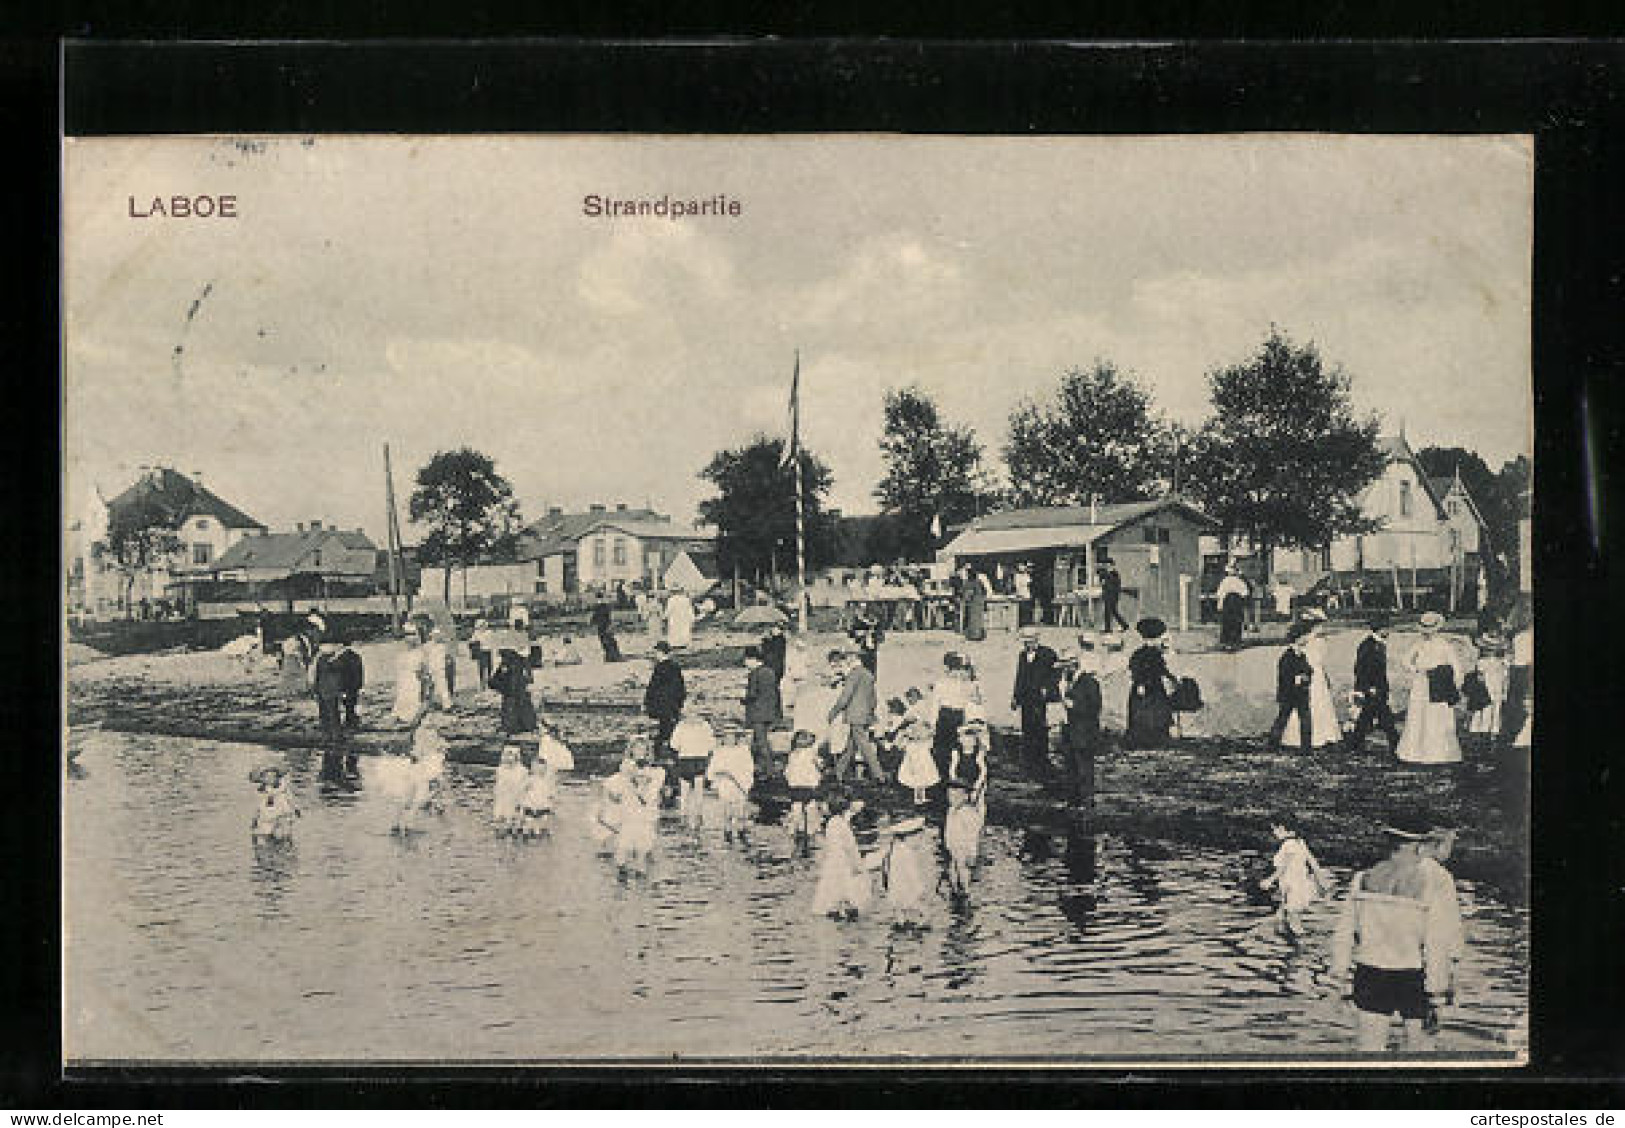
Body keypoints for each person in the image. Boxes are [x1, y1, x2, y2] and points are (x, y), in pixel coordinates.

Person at [1329, 818, 1463, 1052]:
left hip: (1369, 972)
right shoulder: (1429, 881)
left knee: (1370, 1049)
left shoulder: (1362, 878)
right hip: (1412, 974)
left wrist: (1338, 978)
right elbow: (1436, 942)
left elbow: (1343, 933)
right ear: (1419, 845)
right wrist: (1437, 992)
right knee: (1420, 1050)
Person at [1395, 611, 1465, 765]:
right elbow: (1405, 660)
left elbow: (1456, 665)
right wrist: (1417, 669)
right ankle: (1416, 752)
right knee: (1419, 714)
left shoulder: (1444, 644)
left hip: (1439, 683)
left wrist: (1455, 683)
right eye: (1425, 629)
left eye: (1430, 629)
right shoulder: (1418, 643)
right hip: (1421, 683)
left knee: (1437, 715)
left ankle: (1438, 753)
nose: (1427, 633)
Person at [1259, 820, 1331, 939]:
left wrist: (1269, 880)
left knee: (1294, 922)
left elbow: (1282, 868)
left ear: (1282, 828)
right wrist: (1321, 880)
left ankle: (1302, 947)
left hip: (1291, 886)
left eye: (1275, 830)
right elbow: (1312, 862)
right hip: (1298, 883)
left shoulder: (1287, 845)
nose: (1274, 833)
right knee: (1281, 917)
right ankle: (1282, 937)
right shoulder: (1300, 842)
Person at [944, 718, 990, 900]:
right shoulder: (956, 752)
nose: (966, 741)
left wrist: (978, 787)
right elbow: (953, 770)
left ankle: (965, 893)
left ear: (974, 740)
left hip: (974, 780)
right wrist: (955, 783)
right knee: (955, 863)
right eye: (964, 738)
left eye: (970, 738)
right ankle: (957, 890)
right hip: (961, 780)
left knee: (974, 810)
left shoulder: (978, 752)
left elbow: (983, 771)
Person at [827, 650, 887, 785]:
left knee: (864, 745)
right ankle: (839, 773)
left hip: (855, 716)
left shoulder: (853, 675)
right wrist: (870, 713)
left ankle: (879, 775)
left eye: (849, 658)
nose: (847, 660)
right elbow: (873, 699)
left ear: (854, 659)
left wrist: (834, 711)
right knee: (851, 745)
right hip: (865, 715)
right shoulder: (868, 674)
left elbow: (845, 697)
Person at [1344, 615, 1402, 754]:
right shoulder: (1368, 646)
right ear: (1380, 629)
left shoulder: (1378, 643)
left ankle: (1354, 743)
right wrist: (1368, 687)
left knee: (1368, 716)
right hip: (1373, 688)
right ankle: (1395, 743)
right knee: (1383, 716)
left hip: (1378, 687)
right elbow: (1360, 669)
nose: (1389, 632)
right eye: (1387, 629)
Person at [1060, 634, 1104, 812]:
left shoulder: (1089, 682)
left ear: (1074, 665)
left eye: (1066, 667)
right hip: (1071, 731)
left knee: (1084, 766)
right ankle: (1073, 800)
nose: (1064, 671)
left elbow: (1094, 708)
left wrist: (1074, 706)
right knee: (1071, 766)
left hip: (1085, 731)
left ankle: (1087, 800)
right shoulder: (1068, 683)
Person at [812, 793, 870, 919]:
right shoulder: (842, 825)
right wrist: (857, 863)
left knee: (833, 884)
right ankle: (845, 908)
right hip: (842, 859)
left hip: (832, 859)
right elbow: (850, 846)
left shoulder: (831, 823)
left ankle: (835, 908)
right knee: (847, 884)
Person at [1011, 626, 1060, 774]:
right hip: (1027, 698)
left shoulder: (1048, 653)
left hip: (1042, 698)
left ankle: (1042, 759)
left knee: (1041, 728)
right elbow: (1020, 677)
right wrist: (1015, 697)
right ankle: (1029, 760)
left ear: (1037, 639)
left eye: (1031, 641)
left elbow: (1056, 673)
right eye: (1025, 642)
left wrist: (1048, 687)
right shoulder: (1022, 655)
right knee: (1027, 728)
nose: (1028, 644)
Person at [1124, 618, 1178, 748]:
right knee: (1145, 713)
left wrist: (1171, 678)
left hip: (1155, 686)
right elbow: (1136, 670)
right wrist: (1140, 684)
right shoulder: (1142, 654)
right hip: (1146, 687)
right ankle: (1144, 739)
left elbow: (1161, 669)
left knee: (1157, 712)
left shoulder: (1152, 653)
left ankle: (1156, 737)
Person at [930, 652, 982, 780]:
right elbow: (935, 705)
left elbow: (976, 700)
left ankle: (953, 774)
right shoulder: (944, 683)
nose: (958, 673)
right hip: (950, 715)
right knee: (946, 749)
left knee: (954, 748)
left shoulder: (964, 684)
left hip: (952, 716)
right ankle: (945, 775)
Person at [1266, 620, 1315, 753]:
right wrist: (1297, 679)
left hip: (1301, 693)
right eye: (1305, 636)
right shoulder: (1287, 656)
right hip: (1289, 694)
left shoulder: (1302, 655)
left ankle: (1306, 747)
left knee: (1305, 719)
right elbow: (1284, 677)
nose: (1308, 638)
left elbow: (1310, 670)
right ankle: (1273, 744)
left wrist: (1306, 677)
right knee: (1283, 719)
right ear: (1298, 637)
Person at [876, 816, 934, 927]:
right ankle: (917, 932)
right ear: (908, 837)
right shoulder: (907, 854)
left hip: (895, 893)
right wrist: (921, 890)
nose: (920, 842)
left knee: (900, 916)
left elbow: (886, 871)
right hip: (907, 893)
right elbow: (913, 875)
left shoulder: (895, 849)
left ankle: (902, 930)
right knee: (926, 914)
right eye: (918, 838)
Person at [708, 723, 756, 844]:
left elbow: (748, 767)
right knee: (727, 810)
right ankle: (727, 833)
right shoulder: (719, 751)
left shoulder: (743, 750)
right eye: (726, 736)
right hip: (725, 783)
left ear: (737, 737)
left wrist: (744, 781)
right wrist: (719, 775)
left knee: (740, 809)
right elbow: (713, 769)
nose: (729, 739)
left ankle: (741, 832)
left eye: (732, 736)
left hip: (740, 783)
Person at [1301, 614, 1343, 747]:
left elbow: (1321, 661)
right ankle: (1315, 735)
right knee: (1312, 702)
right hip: (1310, 673)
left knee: (1322, 701)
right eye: (1319, 625)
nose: (1321, 628)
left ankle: (1326, 734)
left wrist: (1324, 674)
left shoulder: (1321, 641)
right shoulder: (1306, 640)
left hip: (1318, 674)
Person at [669, 713, 716, 827]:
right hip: (694, 759)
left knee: (689, 789)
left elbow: (674, 745)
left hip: (690, 758)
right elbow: (711, 745)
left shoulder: (684, 726)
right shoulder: (703, 726)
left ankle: (689, 815)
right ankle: (691, 815)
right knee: (693, 790)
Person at [743, 646, 782, 773]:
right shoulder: (770, 671)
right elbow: (776, 693)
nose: (745, 663)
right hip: (769, 712)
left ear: (752, 659)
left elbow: (752, 694)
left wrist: (743, 699)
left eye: (746, 660)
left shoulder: (754, 674)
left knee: (761, 743)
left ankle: (769, 770)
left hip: (757, 713)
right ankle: (760, 767)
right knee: (758, 742)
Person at [785, 730, 825, 849]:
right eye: (800, 739)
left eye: (805, 739)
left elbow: (820, 764)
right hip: (797, 786)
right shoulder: (792, 755)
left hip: (808, 786)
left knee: (810, 809)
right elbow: (788, 771)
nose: (803, 742)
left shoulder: (811, 753)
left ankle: (809, 831)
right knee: (797, 810)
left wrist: (819, 768)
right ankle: (797, 830)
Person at [1468, 622, 1509, 739]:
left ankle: (1490, 729)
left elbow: (1505, 676)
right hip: (1487, 685)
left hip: (1496, 684)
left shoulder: (1501, 662)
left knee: (1494, 705)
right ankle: (1483, 729)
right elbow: (1480, 675)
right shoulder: (1483, 662)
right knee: (1485, 704)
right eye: (1488, 649)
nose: (1490, 651)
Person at [644, 642, 686, 751]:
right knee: (670, 726)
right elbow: (680, 686)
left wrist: (648, 702)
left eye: (656, 652)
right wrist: (680, 701)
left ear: (660, 652)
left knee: (664, 727)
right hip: (672, 704)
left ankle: (660, 748)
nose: (655, 655)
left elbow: (653, 687)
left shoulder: (660, 668)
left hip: (662, 704)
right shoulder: (675, 667)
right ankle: (670, 746)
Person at [489, 648, 538, 735]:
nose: (502, 658)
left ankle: (513, 726)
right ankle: (525, 725)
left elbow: (495, 680)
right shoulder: (523, 661)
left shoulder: (506, 664)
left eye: (502, 655)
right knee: (523, 709)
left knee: (511, 710)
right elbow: (530, 678)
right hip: (519, 693)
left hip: (511, 693)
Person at [895, 716, 940, 806]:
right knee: (917, 780)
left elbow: (931, 738)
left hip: (924, 762)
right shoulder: (909, 743)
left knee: (922, 780)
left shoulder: (925, 742)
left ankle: (921, 797)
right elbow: (899, 746)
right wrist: (903, 735)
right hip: (913, 762)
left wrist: (925, 729)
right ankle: (917, 798)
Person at [309, 640, 348, 739]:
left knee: (325, 713)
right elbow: (341, 679)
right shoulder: (338, 662)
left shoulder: (321, 661)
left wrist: (315, 689)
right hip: (331, 691)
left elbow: (315, 677)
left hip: (323, 690)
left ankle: (328, 734)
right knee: (333, 713)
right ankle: (335, 734)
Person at [249, 766, 299, 841]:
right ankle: (272, 846)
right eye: (267, 777)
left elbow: (290, 799)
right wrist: (255, 819)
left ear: (277, 778)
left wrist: (296, 809)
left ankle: (287, 847)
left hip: (283, 814)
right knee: (267, 835)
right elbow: (258, 807)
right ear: (262, 779)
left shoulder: (283, 789)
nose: (270, 779)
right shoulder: (262, 792)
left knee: (286, 834)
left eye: (273, 777)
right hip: (268, 816)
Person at [492, 743, 528, 835]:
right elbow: (498, 785)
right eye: (506, 755)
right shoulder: (500, 769)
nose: (508, 758)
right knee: (501, 818)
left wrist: (521, 800)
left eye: (511, 755)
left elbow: (524, 787)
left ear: (517, 757)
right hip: (503, 797)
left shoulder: (522, 770)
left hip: (516, 797)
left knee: (515, 820)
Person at [392, 632, 427, 724]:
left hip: (409, 677)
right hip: (406, 677)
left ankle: (407, 715)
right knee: (405, 694)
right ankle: (403, 715)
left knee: (410, 695)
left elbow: (420, 667)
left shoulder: (417, 654)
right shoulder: (406, 654)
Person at [519, 755, 556, 839]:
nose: (540, 771)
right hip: (531, 805)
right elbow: (522, 791)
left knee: (542, 824)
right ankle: (527, 836)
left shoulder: (547, 781)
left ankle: (541, 836)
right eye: (536, 768)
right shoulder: (530, 779)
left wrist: (551, 806)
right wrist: (521, 805)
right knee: (528, 824)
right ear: (532, 769)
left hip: (543, 806)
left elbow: (550, 795)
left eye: (543, 769)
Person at [1217, 562, 1250, 650]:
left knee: (1230, 622)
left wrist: (1220, 605)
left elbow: (1221, 594)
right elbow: (1245, 593)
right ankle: (1234, 641)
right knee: (1234, 622)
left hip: (1230, 602)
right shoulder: (1238, 581)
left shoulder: (1226, 581)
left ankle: (1229, 642)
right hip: (1235, 602)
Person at [334, 639, 364, 729]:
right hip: (354, 685)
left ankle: (350, 721)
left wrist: (340, 687)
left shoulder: (340, 658)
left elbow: (339, 675)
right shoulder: (356, 656)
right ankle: (352, 720)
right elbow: (360, 672)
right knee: (351, 704)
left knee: (347, 704)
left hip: (345, 686)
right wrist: (360, 684)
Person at [421, 628, 452, 709]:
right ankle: (429, 703)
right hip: (430, 668)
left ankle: (447, 705)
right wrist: (425, 669)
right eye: (435, 635)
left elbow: (447, 657)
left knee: (443, 686)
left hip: (440, 669)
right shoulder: (427, 646)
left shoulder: (443, 646)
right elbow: (424, 658)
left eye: (438, 636)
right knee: (430, 687)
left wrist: (446, 662)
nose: (437, 637)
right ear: (432, 636)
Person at [848, 609, 883, 678]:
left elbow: (881, 638)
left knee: (871, 671)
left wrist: (873, 636)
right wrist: (860, 634)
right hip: (862, 650)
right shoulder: (859, 624)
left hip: (872, 651)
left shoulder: (877, 626)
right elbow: (851, 634)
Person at [1100, 559, 1130, 634]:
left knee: (1108, 612)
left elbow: (1115, 586)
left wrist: (1106, 583)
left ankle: (1108, 629)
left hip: (1113, 595)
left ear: (1112, 565)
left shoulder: (1115, 574)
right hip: (1107, 594)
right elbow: (1103, 583)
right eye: (1106, 565)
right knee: (1113, 611)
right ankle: (1124, 625)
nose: (1107, 566)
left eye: (1109, 565)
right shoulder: (1106, 574)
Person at [962, 566, 989, 642]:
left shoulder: (969, 583)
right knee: (978, 619)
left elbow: (967, 594)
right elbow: (985, 591)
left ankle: (974, 636)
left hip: (973, 602)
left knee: (973, 620)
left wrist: (966, 598)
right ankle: (978, 635)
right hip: (979, 602)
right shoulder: (979, 582)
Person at [471, 618, 498, 688]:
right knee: (481, 667)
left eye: (484, 625)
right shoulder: (476, 633)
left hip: (488, 650)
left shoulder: (489, 632)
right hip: (481, 651)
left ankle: (489, 681)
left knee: (489, 666)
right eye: (481, 626)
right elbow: (472, 642)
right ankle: (482, 682)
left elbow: (494, 640)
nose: (483, 627)